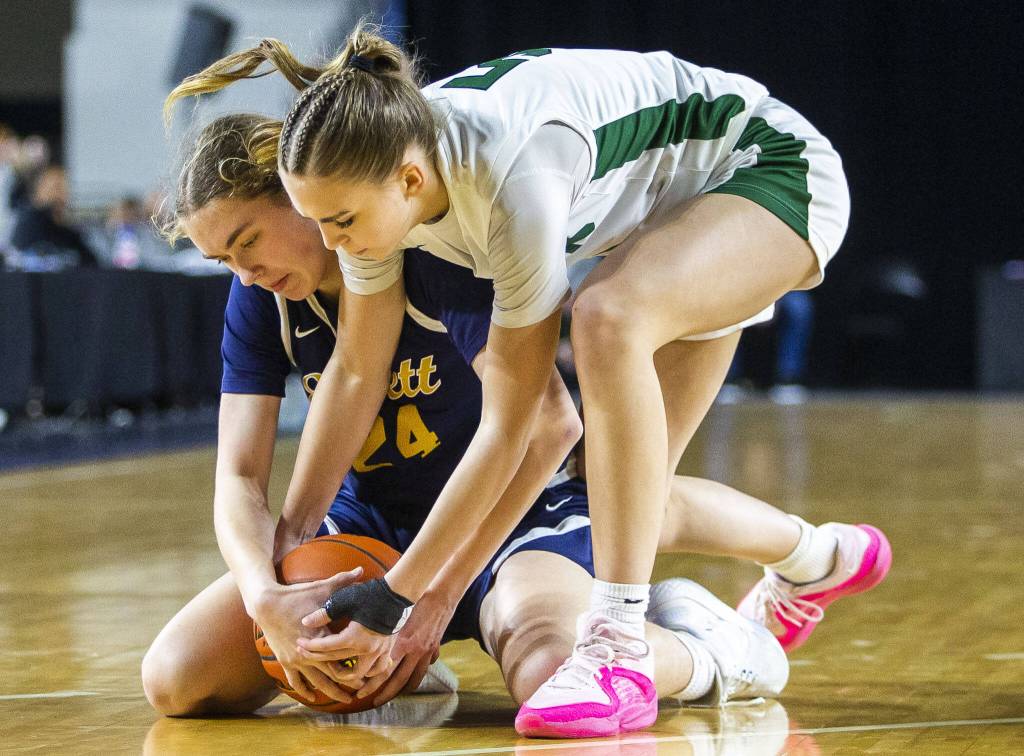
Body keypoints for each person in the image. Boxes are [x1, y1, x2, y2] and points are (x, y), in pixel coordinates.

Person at [166, 31, 889, 738]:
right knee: (634, 492)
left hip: (755, 166)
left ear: (402, 185)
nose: (328, 242)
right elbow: (356, 370)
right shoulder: (372, 194)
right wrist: (280, 574)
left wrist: (410, 595)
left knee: (607, 329)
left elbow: (526, 426)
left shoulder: (498, 194)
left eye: (249, 243)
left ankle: (651, 645)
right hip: (648, 210)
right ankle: (817, 558)